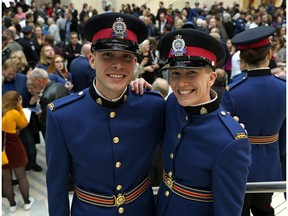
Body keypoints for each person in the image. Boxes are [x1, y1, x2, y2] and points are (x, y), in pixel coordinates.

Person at [45, 12, 165, 215]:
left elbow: (185, 138)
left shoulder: (152, 106)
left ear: (135, 62)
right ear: (92, 59)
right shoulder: (62, 116)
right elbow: (57, 188)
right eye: (108, 55)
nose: (118, 64)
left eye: (127, 56)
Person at [155, 29, 251, 216]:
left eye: (191, 73)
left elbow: (228, 211)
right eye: (175, 74)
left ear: (211, 78)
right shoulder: (174, 103)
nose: (182, 83)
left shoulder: (231, 141)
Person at [221, 26, 286, 216]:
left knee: (238, 210)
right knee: (264, 209)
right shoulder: (284, 88)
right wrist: (279, 155)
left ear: (243, 59)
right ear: (270, 54)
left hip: (239, 166)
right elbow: (284, 131)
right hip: (270, 163)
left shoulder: (233, 91)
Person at [2, 91, 35, 213]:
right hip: (14, 147)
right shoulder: (13, 113)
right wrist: (20, 107)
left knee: (6, 179)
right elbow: (24, 123)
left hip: (2, 150)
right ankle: (26, 202)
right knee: (21, 177)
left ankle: (12, 205)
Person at [28, 68, 69, 139]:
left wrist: (40, 115)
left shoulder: (46, 97)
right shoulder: (60, 86)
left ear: (39, 81)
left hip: (56, 133)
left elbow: (46, 122)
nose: (33, 85)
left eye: (33, 82)